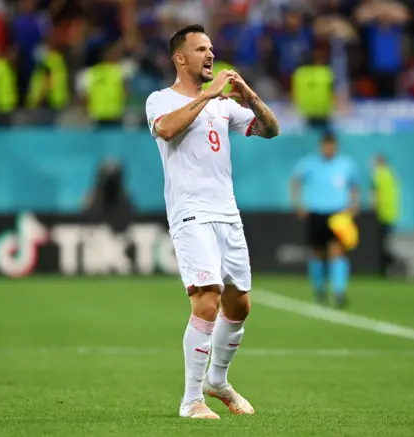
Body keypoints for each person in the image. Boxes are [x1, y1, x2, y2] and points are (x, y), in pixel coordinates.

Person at [145, 24, 279, 420]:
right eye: (201, 49)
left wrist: (249, 97)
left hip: (227, 213)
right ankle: (191, 400)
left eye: (212, 48)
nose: (210, 54)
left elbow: (271, 130)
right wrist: (209, 95)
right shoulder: (160, 100)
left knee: (239, 305)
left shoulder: (222, 105)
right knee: (207, 299)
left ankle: (217, 381)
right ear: (179, 58)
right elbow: (167, 130)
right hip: (190, 213)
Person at [290, 133, 360, 308]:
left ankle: (339, 291)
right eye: (326, 145)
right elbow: (295, 181)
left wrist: (353, 205)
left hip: (338, 214)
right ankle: (319, 289)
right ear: (321, 146)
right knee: (317, 252)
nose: (329, 148)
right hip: (316, 212)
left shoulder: (346, 164)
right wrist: (298, 203)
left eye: (331, 145)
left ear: (336, 146)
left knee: (338, 251)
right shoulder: (310, 163)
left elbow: (354, 186)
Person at [371, 154, 400, 277]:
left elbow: (376, 193)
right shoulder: (391, 174)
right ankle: (388, 267)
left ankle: (389, 265)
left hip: (382, 213)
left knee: (380, 244)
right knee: (385, 242)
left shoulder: (379, 174)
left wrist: (374, 207)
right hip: (391, 213)